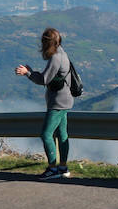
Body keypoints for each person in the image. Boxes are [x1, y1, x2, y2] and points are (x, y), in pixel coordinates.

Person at [14, 27, 75, 180]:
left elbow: (43, 80)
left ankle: (53, 169)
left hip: (58, 103)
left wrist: (27, 73)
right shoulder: (62, 53)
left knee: (46, 134)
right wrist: (32, 71)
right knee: (62, 134)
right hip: (65, 100)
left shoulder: (56, 57)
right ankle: (63, 167)